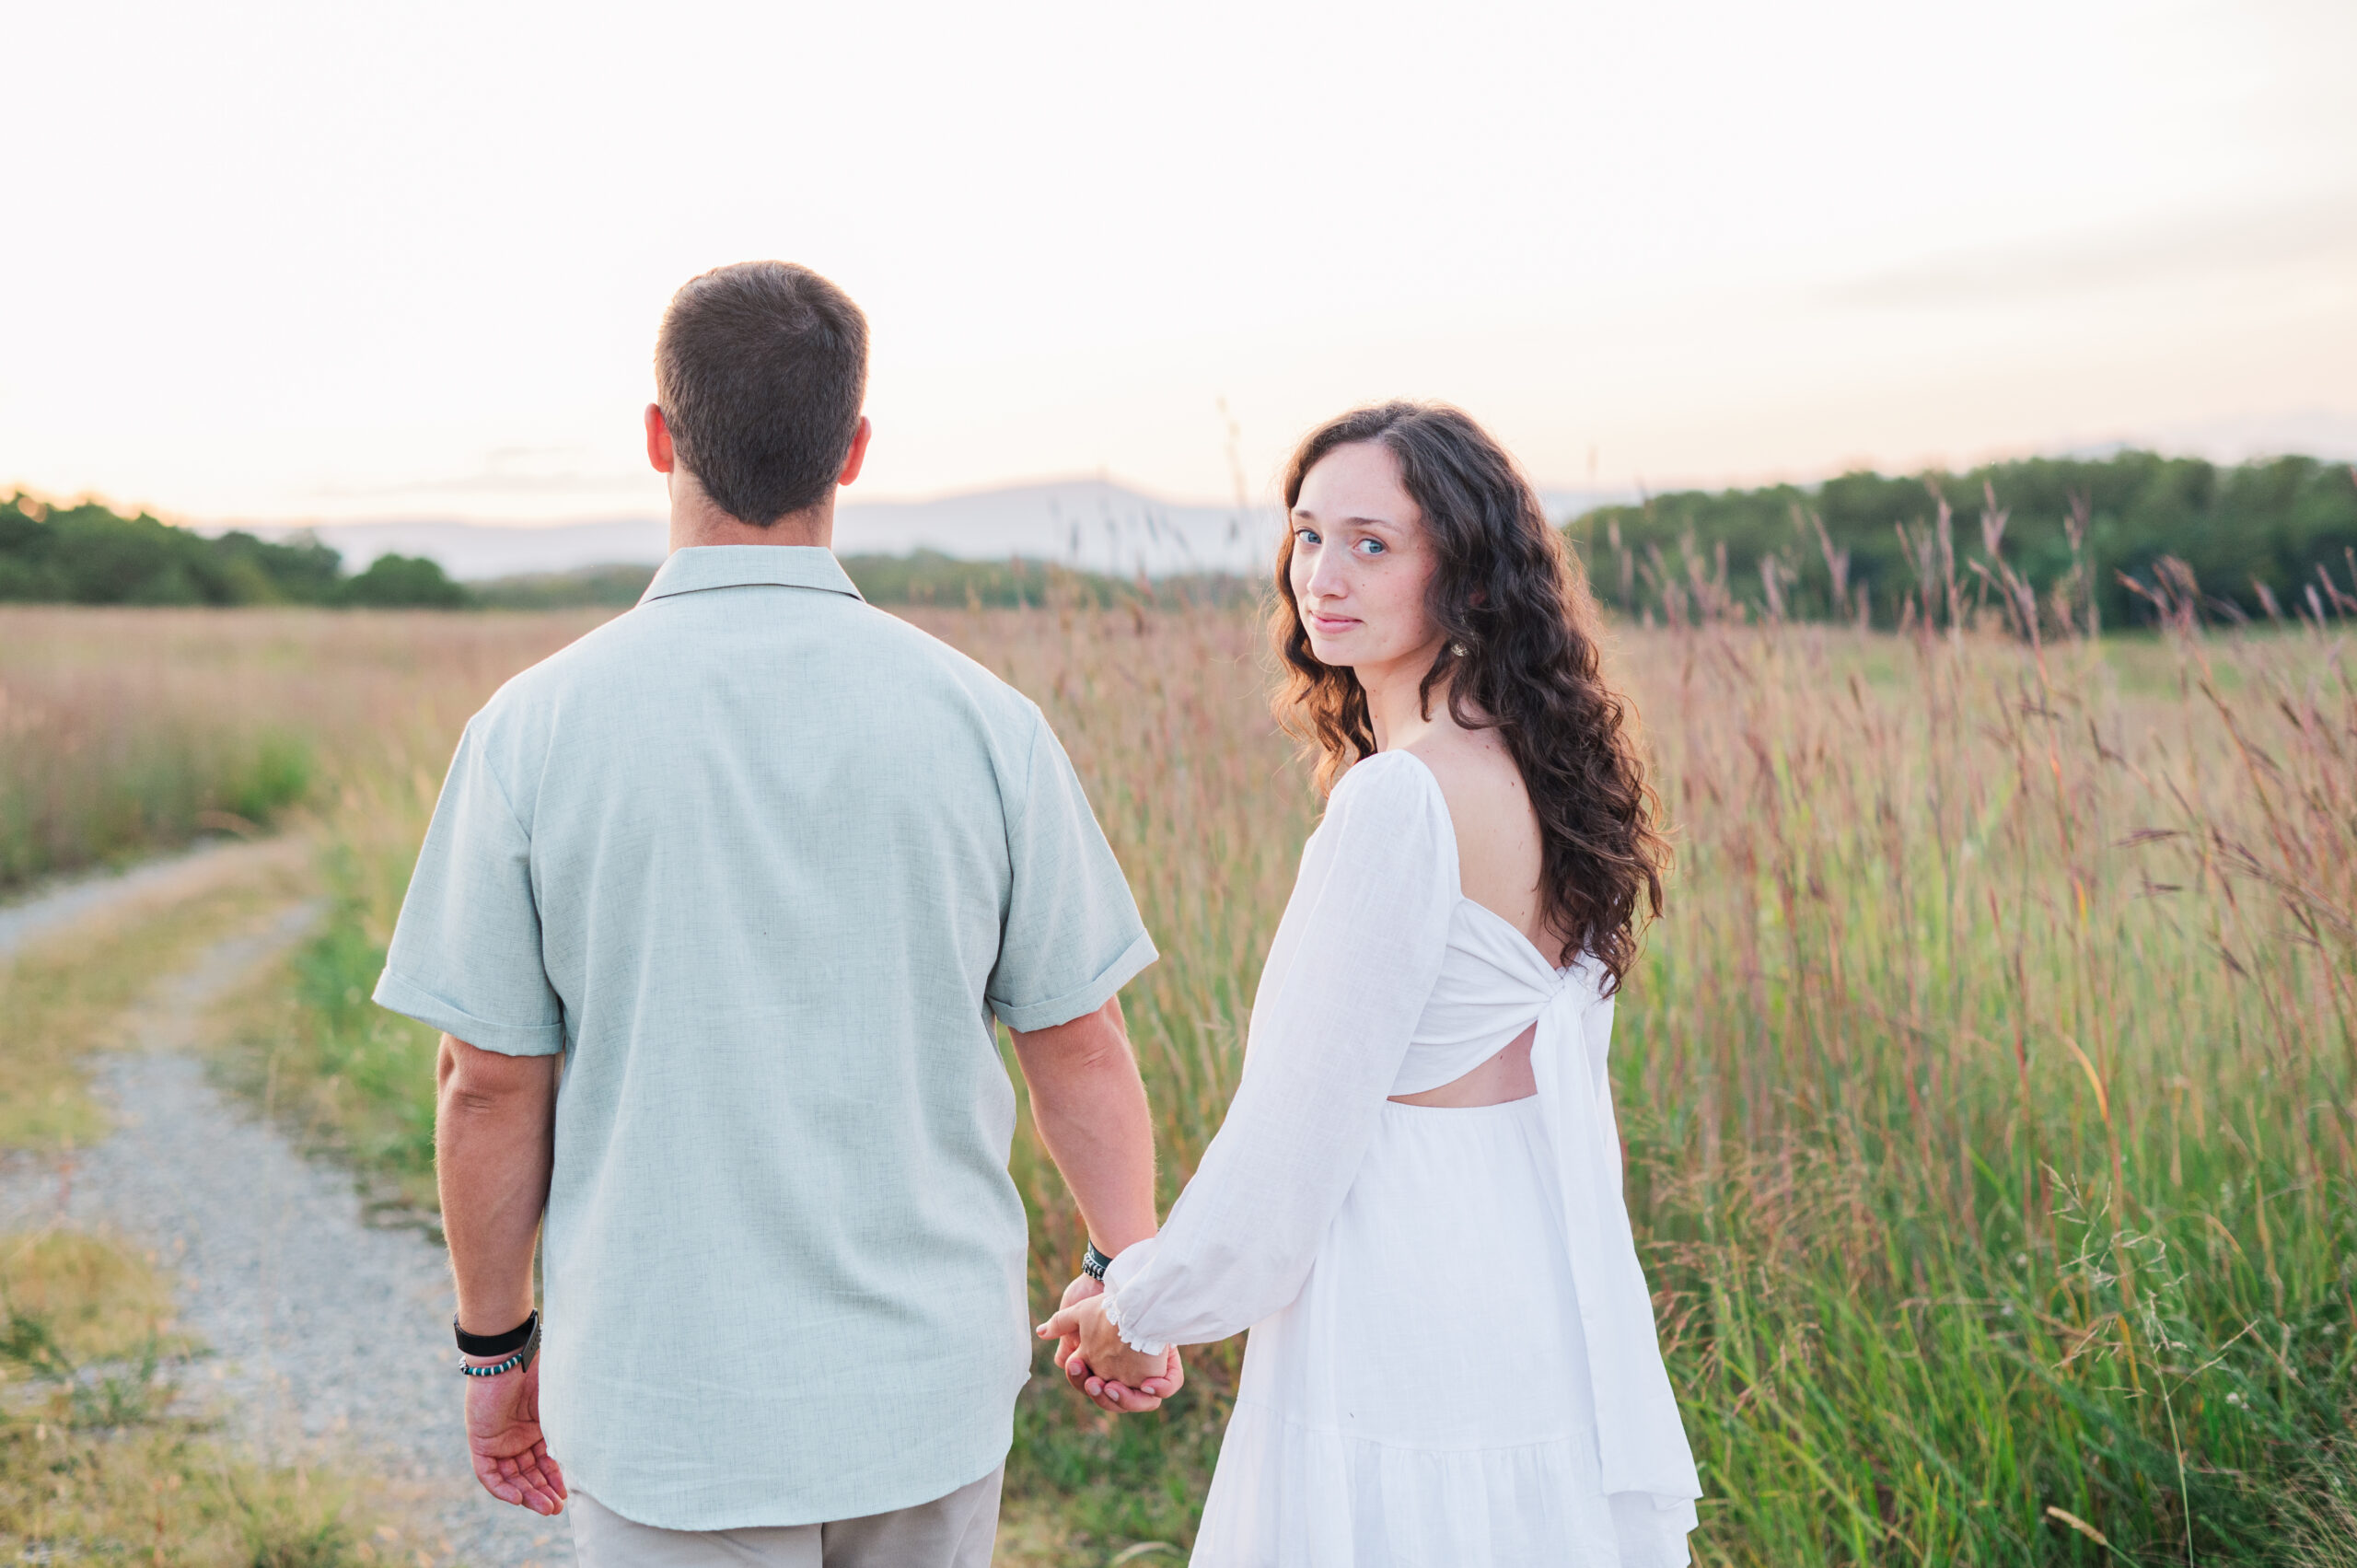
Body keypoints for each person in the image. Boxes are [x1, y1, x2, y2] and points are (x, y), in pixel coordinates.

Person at [375, 260, 1180, 1566]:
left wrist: (495, 1348)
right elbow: (1078, 1040)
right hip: (925, 1392)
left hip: (662, 1397)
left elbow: (485, 1082)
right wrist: (1124, 1273)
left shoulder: (532, 730)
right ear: (852, 450)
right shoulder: (986, 724)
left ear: (658, 437)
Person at [1042, 402, 1702, 1565]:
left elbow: (1292, 1144)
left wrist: (1136, 1307)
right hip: (1532, 1284)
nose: (1320, 576)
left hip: (1405, 1298)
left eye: (1372, 542)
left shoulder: (1401, 798)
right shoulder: (1541, 771)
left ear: (1472, 575)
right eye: (1305, 535)